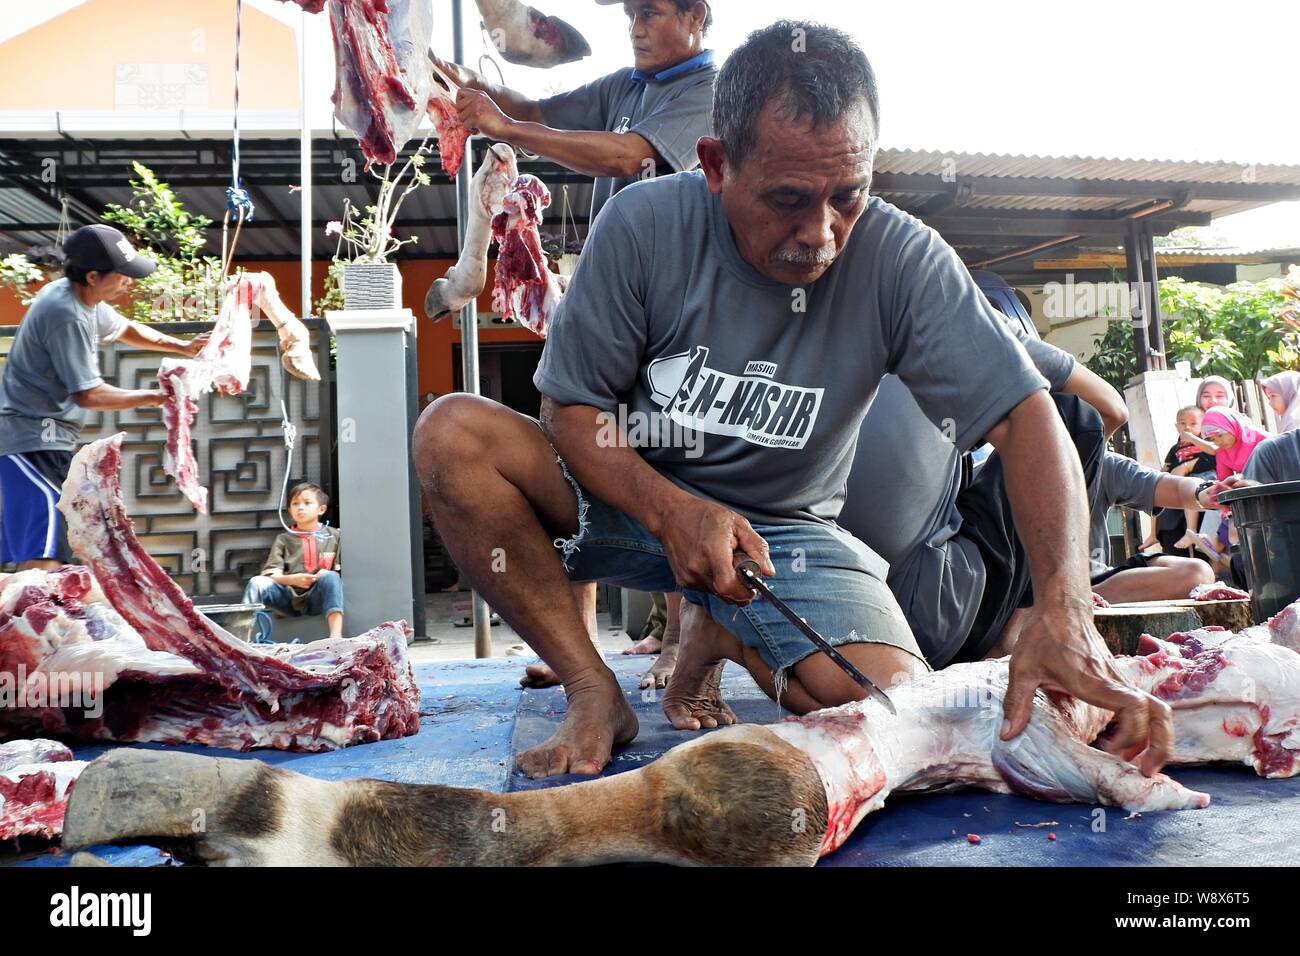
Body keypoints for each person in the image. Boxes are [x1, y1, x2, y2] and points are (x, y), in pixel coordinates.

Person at [414, 21, 1174, 779]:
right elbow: (572, 414)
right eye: (787, 199)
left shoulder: (902, 256)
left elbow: (1027, 416)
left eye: (848, 195)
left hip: (789, 538)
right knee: (454, 436)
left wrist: (1066, 608)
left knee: (887, 714)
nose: (820, 233)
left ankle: (723, 632)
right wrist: (672, 509)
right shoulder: (640, 228)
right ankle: (590, 686)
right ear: (714, 164)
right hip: (632, 503)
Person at [0, 224, 209, 570]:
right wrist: (158, 398)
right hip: (27, 441)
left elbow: (125, 328)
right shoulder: (65, 315)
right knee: (44, 556)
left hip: (46, 442)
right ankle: (29, 622)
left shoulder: (82, 298)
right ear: (94, 276)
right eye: (123, 275)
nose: (130, 281)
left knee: (59, 551)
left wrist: (182, 346)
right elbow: (89, 394)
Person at [431, 0, 717, 226]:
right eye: (630, 15)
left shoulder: (713, 92)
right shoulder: (625, 85)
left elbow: (627, 156)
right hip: (610, 281)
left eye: (649, 13)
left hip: (667, 295)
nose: (635, 30)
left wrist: (505, 127)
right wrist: (460, 78)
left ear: (695, 16)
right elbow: (535, 112)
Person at [1088, 452, 1241, 604]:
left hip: (1098, 583)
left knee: (1197, 573)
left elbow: (1175, 488)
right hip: (1068, 585)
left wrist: (1205, 492)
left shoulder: (1102, 462)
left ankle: (1084, 598)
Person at [243, 483, 345, 640]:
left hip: (317, 597)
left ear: (321, 509)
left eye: (307, 503)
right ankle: (242, 638)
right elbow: (272, 574)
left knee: (331, 577)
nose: (300, 508)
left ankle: (336, 635)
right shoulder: (284, 539)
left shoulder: (334, 536)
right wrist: (292, 579)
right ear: (290, 510)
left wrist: (328, 573)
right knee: (256, 582)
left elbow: (340, 572)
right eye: (295, 504)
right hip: (288, 598)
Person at [1156, 405, 1218, 553]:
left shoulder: (1206, 442)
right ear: (1176, 426)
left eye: (1193, 423)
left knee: (1191, 492)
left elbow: (1215, 451)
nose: (1187, 427)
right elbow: (1168, 466)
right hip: (1182, 484)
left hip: (1205, 480)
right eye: (1182, 423)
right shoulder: (1176, 448)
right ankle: (1153, 534)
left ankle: (1191, 530)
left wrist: (1193, 439)